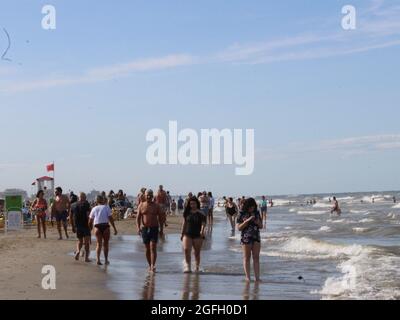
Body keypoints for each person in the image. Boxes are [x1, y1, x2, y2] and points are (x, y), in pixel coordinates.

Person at [137, 189, 165, 273]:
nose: (149, 196)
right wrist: (138, 228)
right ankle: (150, 265)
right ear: (144, 196)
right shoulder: (141, 205)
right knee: (147, 249)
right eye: (147, 195)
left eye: (150, 195)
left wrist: (161, 229)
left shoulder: (156, 206)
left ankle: (153, 265)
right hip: (145, 228)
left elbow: (161, 218)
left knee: (153, 247)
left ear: (153, 196)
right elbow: (138, 217)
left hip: (154, 228)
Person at [236, 198, 262, 282]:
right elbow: (239, 228)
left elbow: (261, 226)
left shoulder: (257, 213)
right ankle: (247, 277)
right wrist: (246, 221)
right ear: (246, 206)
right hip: (246, 237)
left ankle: (257, 277)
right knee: (247, 257)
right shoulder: (241, 213)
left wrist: (258, 222)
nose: (252, 208)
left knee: (256, 257)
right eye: (250, 207)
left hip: (256, 236)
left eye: (253, 206)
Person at [89, 195, 118, 265]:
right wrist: (114, 228)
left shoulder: (94, 208)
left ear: (96, 201)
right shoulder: (106, 207)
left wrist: (89, 229)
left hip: (97, 227)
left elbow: (90, 220)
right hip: (105, 226)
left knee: (99, 244)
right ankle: (106, 260)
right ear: (102, 200)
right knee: (106, 244)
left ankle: (98, 260)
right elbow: (110, 218)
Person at [181, 197, 206, 273]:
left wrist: (202, 231)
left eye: (194, 203)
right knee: (186, 250)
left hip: (198, 235)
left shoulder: (201, 213)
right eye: (191, 204)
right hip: (187, 234)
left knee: (196, 252)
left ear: (197, 204)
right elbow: (184, 223)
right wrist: (182, 233)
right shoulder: (187, 212)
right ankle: (188, 267)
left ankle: (197, 267)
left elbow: (203, 223)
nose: (192, 205)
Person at [70, 192, 92, 262]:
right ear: (84, 197)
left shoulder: (73, 205)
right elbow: (88, 216)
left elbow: (70, 217)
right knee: (86, 242)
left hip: (77, 226)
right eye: (85, 197)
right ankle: (86, 258)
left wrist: (73, 226)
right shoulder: (86, 204)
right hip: (85, 225)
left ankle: (78, 251)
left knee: (80, 241)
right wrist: (90, 225)